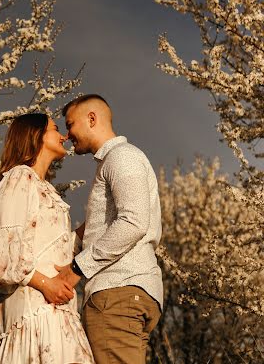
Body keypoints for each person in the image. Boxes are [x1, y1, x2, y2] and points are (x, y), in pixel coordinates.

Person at [0, 113, 95, 364]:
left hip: (57, 314)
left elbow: (52, 248)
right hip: (35, 313)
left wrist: (95, 221)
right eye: (55, 129)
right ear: (36, 135)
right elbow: (0, 254)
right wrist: (44, 284)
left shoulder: (45, 189)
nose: (63, 135)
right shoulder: (20, 177)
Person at [55, 95, 163, 364]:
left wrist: (77, 269)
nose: (67, 135)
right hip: (124, 292)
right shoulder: (114, 161)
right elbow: (100, 225)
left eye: (70, 125)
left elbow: (133, 222)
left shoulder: (122, 157)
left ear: (92, 119)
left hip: (117, 291)